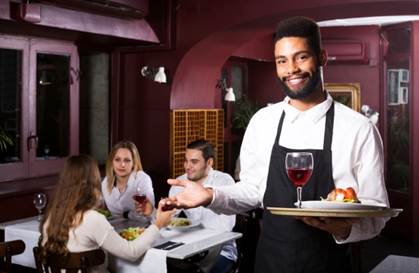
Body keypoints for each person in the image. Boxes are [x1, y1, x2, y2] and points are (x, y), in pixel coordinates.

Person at [166, 16, 389, 273]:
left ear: (322, 57)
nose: (291, 68)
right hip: (270, 261)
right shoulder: (263, 122)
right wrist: (211, 196)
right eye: (282, 61)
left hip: (328, 264)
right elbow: (252, 191)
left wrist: (344, 228)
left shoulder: (358, 129)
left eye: (301, 57)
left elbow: (376, 213)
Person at [39, 155, 175, 273]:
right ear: (92, 182)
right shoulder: (92, 218)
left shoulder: (51, 216)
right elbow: (131, 252)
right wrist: (158, 224)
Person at [169, 139, 237, 273]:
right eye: (186, 160)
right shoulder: (180, 182)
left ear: (209, 162)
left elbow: (224, 229)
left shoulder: (224, 181)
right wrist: (153, 213)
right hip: (188, 249)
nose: (187, 166)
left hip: (221, 251)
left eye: (194, 162)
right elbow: (168, 221)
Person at [102, 141, 155, 222]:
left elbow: (150, 212)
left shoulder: (142, 179)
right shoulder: (105, 182)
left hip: (142, 228)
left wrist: (147, 210)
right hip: (114, 229)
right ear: (112, 162)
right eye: (117, 160)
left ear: (134, 163)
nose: (122, 164)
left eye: (127, 160)